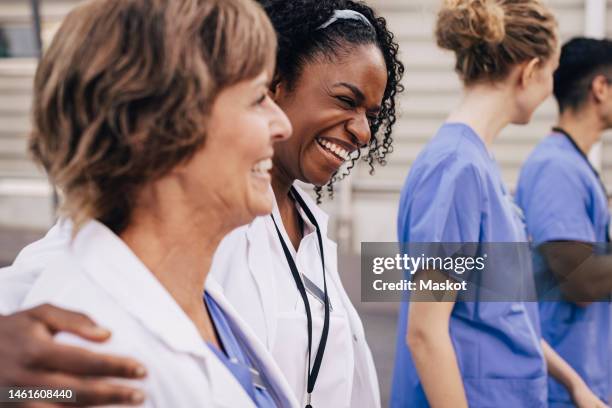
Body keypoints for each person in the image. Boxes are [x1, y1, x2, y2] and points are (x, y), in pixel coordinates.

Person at [0, 0, 404, 406]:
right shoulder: (98, 337)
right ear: (170, 125)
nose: (366, 133)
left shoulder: (270, 235)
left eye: (371, 113)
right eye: (255, 98)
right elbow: (49, 275)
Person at [390, 1, 604, 407]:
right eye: (552, 73)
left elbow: (505, 312)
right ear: (530, 71)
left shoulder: (477, 166)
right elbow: (425, 333)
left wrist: (573, 382)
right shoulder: (456, 169)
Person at [516, 37, 612, 407]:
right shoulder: (556, 168)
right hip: (558, 389)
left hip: (583, 381)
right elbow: (582, 282)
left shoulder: (574, 165)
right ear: (600, 88)